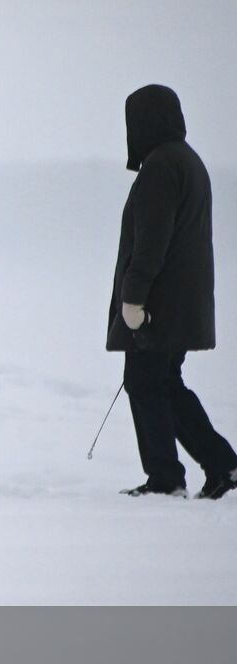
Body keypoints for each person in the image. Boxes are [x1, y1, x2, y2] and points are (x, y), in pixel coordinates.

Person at [107, 84, 235, 500]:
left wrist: (133, 299)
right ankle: (222, 464)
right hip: (181, 303)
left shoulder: (161, 166)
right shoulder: (187, 160)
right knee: (165, 382)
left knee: (144, 381)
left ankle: (165, 479)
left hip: (158, 305)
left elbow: (151, 243)